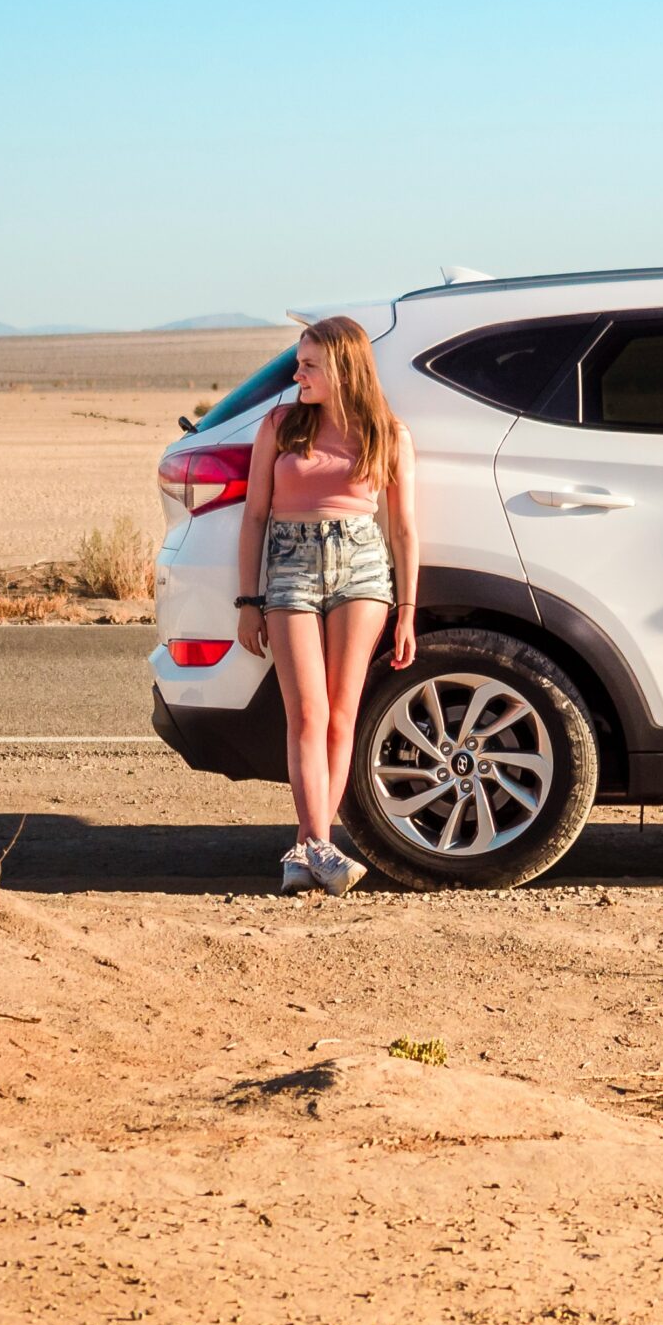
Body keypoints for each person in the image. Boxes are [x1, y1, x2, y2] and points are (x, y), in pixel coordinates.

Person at [232, 315, 418, 894]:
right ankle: (319, 846)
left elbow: (404, 529)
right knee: (307, 714)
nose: (297, 373)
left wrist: (408, 610)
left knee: (342, 713)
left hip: (362, 567)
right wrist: (248, 600)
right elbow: (255, 516)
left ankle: (310, 849)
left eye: (309, 365)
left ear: (343, 367)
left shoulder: (388, 433)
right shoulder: (281, 425)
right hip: (289, 565)